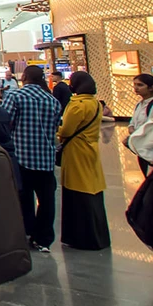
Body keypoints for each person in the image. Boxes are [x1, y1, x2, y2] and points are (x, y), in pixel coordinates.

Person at [2, 65, 62, 253]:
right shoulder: (52, 100)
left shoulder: (15, 96)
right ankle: (44, 239)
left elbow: (6, 122)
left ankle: (27, 232)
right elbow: (56, 126)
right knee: (47, 201)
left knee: (24, 198)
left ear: (24, 77)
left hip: (22, 156)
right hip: (45, 158)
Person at [58, 72, 109, 250]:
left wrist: (56, 130)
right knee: (92, 187)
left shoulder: (77, 105)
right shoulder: (95, 104)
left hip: (76, 151)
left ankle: (81, 237)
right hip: (91, 149)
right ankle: (98, 235)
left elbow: (66, 131)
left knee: (77, 189)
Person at [129, 74, 153, 176]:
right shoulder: (139, 104)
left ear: (151, 88)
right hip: (141, 149)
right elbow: (132, 122)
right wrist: (132, 130)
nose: (136, 88)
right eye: (135, 85)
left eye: (140, 85)